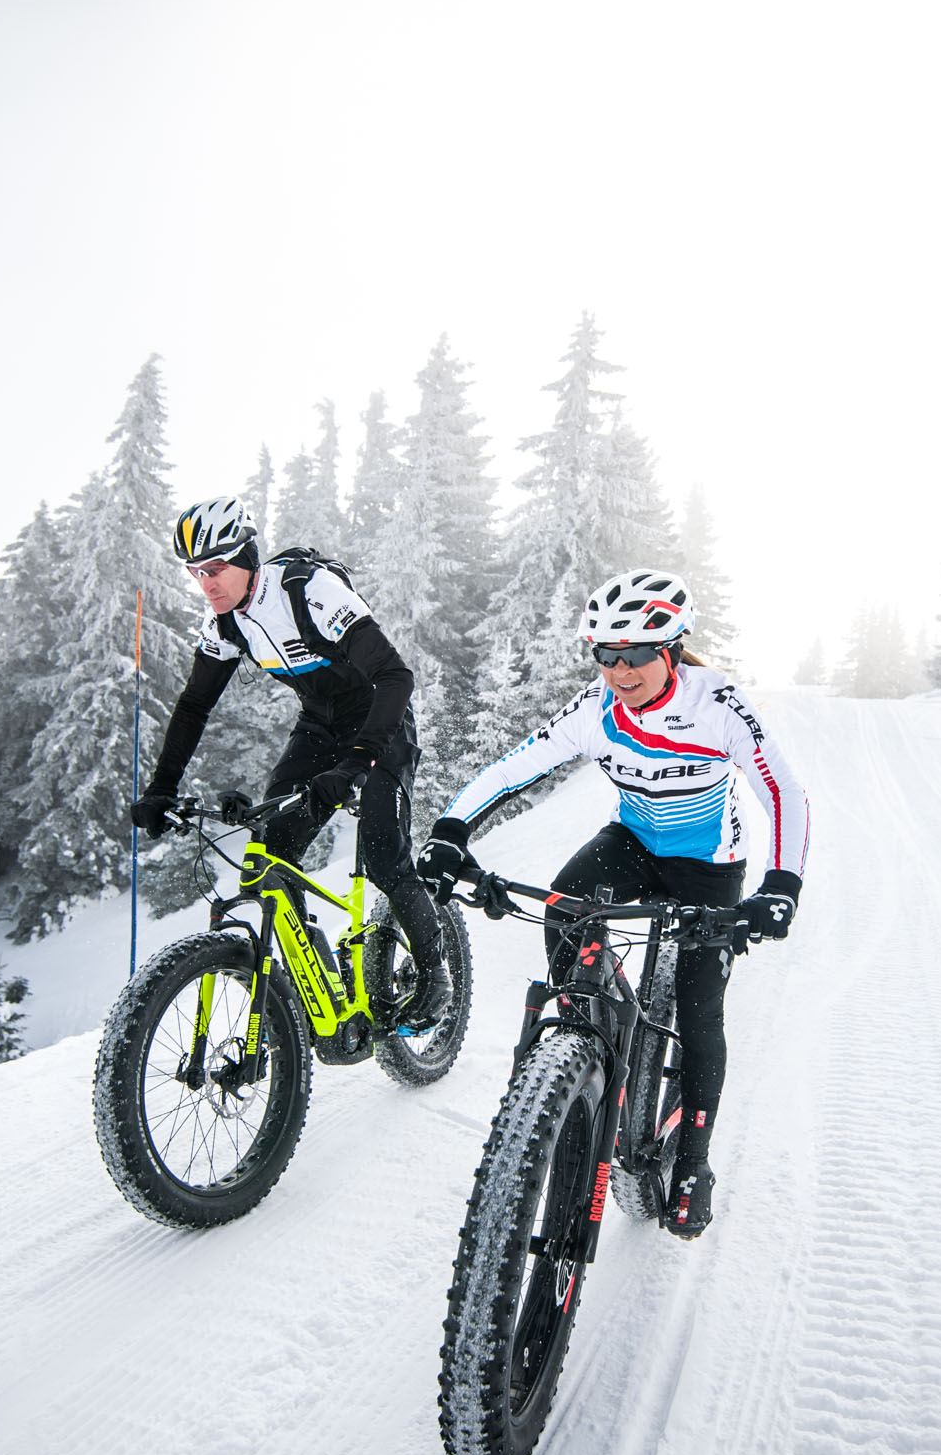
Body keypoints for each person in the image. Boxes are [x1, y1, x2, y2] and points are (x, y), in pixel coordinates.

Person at [416, 568, 808, 1238]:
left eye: (634, 655)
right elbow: (516, 766)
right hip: (634, 838)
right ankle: (588, 1035)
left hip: (709, 865)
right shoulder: (594, 709)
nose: (619, 671)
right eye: (604, 654)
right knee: (566, 907)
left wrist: (781, 886)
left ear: (673, 649)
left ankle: (691, 1164)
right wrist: (452, 830)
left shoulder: (718, 704)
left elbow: (783, 791)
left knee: (699, 1007)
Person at [131, 496, 450, 1023]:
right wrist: (161, 787)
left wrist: (356, 765)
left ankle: (435, 973)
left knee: (381, 853)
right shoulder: (226, 624)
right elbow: (193, 706)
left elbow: (396, 677)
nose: (207, 584)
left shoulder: (307, 592)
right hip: (319, 727)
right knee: (270, 854)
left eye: (216, 569)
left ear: (247, 556)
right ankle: (319, 976)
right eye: (195, 573)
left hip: (379, 721)